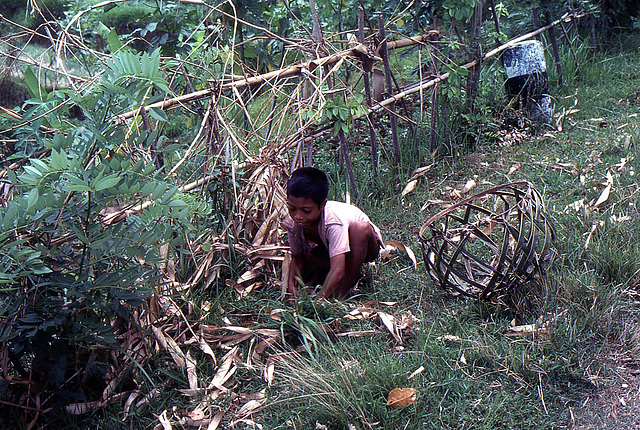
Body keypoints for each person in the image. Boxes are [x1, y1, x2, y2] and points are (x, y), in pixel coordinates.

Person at [283, 167, 383, 300]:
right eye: (292, 208)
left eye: (306, 211)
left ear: (322, 205)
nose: (298, 216)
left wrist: (320, 300)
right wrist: (291, 287)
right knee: (307, 263)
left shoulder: (333, 221)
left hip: (364, 247)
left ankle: (343, 290)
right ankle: (323, 279)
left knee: (360, 229)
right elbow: (297, 257)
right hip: (330, 249)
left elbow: (338, 269)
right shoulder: (292, 223)